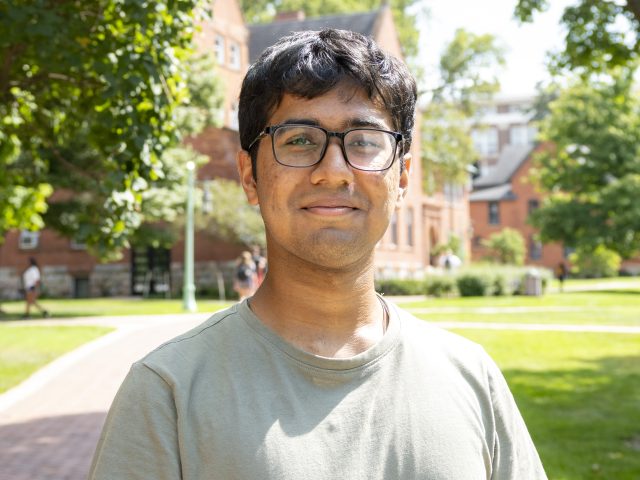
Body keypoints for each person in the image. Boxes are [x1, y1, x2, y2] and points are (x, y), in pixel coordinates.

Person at [89, 29, 547, 479]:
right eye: (300, 140)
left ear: (402, 176)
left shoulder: (472, 379)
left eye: (365, 141)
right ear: (249, 175)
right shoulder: (167, 392)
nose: (333, 172)